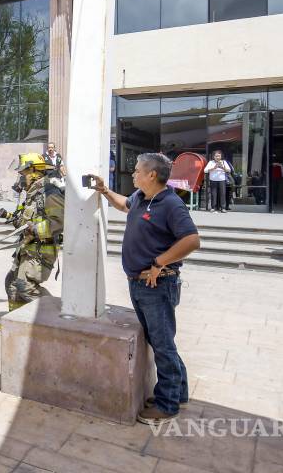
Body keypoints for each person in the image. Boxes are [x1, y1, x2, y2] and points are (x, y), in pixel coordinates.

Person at [88, 153, 200, 425]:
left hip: (157, 285)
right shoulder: (140, 198)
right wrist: (103, 190)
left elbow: (192, 240)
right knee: (162, 341)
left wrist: (159, 263)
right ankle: (178, 392)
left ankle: (167, 403)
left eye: (138, 171)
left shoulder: (171, 203)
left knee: (162, 344)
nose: (134, 174)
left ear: (152, 174)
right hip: (139, 283)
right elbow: (124, 204)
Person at [2, 153, 64, 313]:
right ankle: (16, 319)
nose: (21, 179)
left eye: (23, 174)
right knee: (12, 282)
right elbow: (26, 221)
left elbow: (59, 221)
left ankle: (57, 314)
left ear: (35, 171)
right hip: (27, 249)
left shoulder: (50, 192)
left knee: (25, 286)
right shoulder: (33, 194)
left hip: (41, 251)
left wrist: (35, 229)